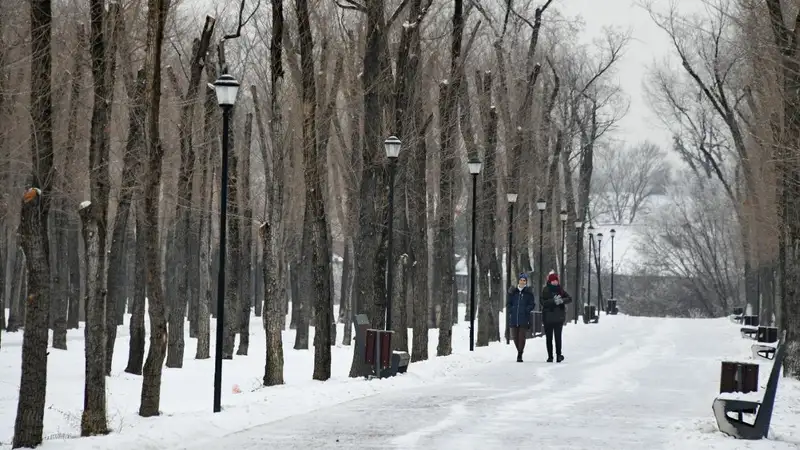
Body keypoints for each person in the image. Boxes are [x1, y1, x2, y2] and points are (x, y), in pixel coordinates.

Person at [540, 272, 572, 363]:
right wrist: (553, 301)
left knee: (558, 337)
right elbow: (543, 302)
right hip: (548, 318)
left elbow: (569, 298)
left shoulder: (560, 290)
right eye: (553, 281)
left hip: (558, 318)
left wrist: (561, 300)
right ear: (550, 281)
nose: (555, 282)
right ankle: (550, 356)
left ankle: (558, 355)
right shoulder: (545, 290)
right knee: (549, 338)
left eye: (556, 280)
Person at [507, 273, 536, 362]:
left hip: (524, 318)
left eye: (524, 280)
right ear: (518, 281)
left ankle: (520, 354)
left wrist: (527, 309)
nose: (522, 282)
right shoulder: (513, 292)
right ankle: (519, 350)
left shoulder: (528, 293)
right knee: (515, 337)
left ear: (526, 282)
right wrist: (511, 310)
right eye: (521, 280)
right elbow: (508, 303)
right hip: (514, 318)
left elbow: (532, 304)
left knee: (521, 337)